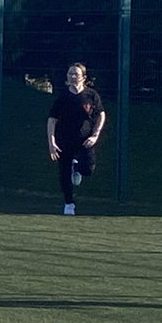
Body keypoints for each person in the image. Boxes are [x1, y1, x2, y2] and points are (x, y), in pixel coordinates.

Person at [48, 62, 106, 216]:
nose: (73, 77)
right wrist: (52, 142)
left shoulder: (91, 95)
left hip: (85, 140)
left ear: (83, 77)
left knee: (88, 170)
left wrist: (95, 135)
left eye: (76, 74)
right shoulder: (62, 96)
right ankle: (69, 204)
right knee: (64, 174)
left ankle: (78, 168)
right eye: (70, 74)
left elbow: (101, 114)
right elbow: (52, 120)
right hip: (64, 141)